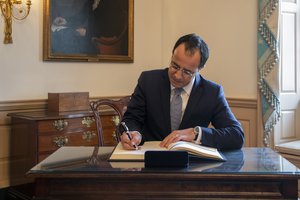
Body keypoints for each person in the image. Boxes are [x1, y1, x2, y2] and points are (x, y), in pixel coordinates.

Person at [120, 33, 244, 151]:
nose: (178, 76)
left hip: (191, 167)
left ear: (200, 68)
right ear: (172, 55)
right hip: (149, 162)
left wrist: (196, 133)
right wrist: (134, 133)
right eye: (175, 66)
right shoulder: (148, 81)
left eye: (187, 72)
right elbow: (131, 119)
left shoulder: (212, 93)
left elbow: (236, 135)